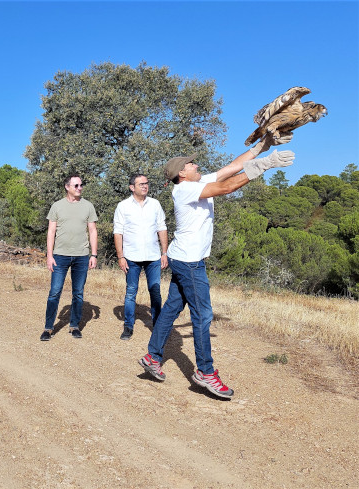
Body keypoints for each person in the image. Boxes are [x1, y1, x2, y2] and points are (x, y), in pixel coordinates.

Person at [139, 137, 295, 398]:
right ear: (181, 173)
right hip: (189, 262)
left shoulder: (196, 181)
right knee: (203, 315)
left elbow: (232, 168)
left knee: (171, 309)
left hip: (182, 258)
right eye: (191, 163)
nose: (196, 163)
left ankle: (153, 357)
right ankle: (205, 372)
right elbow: (226, 188)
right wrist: (265, 165)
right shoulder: (184, 190)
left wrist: (260, 147)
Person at [40, 175, 98, 341]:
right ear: (67, 187)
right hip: (60, 256)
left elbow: (93, 231)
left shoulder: (88, 206)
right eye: (76, 185)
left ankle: (74, 326)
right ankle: (48, 328)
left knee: (78, 293)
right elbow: (51, 232)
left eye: (81, 185)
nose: (80, 188)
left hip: (81, 256)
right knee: (54, 292)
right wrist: (49, 255)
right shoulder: (57, 206)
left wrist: (93, 254)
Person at [113, 174, 168, 340]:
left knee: (155, 291)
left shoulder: (155, 204)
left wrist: (164, 253)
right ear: (132, 187)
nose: (145, 186)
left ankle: (157, 326)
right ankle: (128, 326)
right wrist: (120, 256)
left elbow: (162, 228)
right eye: (141, 184)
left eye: (146, 183)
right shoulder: (123, 206)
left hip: (153, 256)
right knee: (131, 292)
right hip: (131, 256)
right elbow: (118, 232)